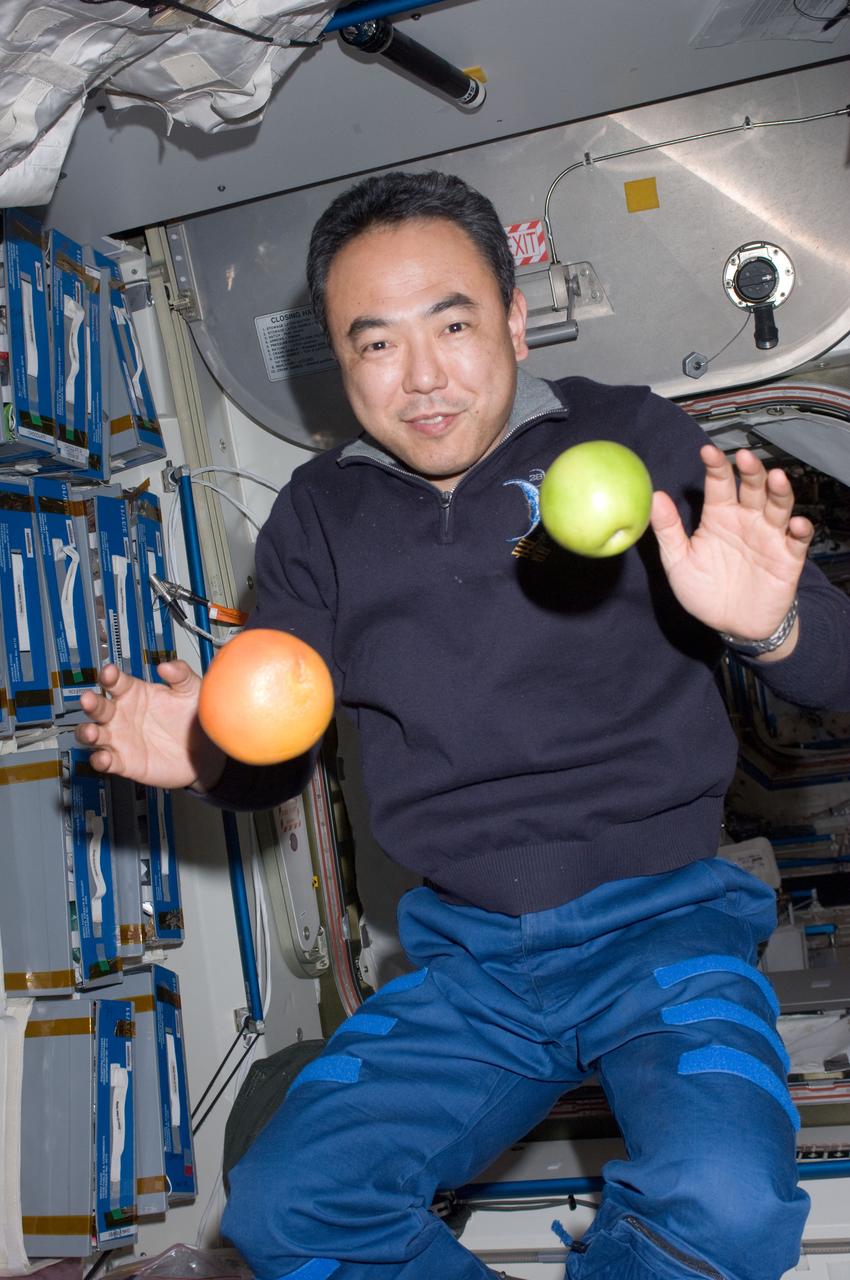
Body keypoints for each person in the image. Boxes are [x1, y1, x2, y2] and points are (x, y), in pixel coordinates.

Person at [78, 170, 850, 1280]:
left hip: (666, 930)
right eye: (375, 344)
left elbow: (832, 667)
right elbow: (277, 745)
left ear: (515, 318)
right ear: (339, 366)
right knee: (289, 1205)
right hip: (474, 963)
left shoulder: (628, 434)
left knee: (725, 1203)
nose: (423, 378)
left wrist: (768, 616)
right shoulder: (318, 518)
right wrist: (207, 751)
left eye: (452, 323)